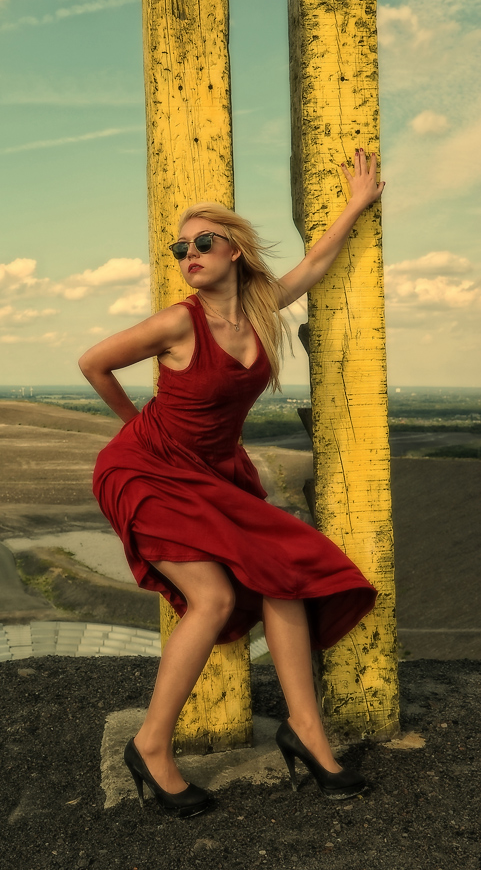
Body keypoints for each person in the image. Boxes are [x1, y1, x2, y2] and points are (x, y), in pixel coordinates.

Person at [78, 148, 386, 817]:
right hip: (146, 473)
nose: (187, 252)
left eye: (202, 241)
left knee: (286, 572)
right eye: (178, 245)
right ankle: (151, 747)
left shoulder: (260, 308)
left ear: (234, 251)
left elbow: (314, 264)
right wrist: (138, 426)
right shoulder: (176, 322)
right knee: (213, 598)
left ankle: (306, 732)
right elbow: (94, 362)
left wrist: (356, 203)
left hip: (213, 476)